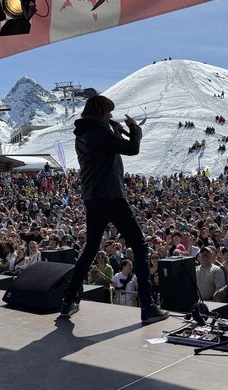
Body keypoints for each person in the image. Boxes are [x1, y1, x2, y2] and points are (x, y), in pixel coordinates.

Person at [60, 95, 169, 324]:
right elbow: (133, 148)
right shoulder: (99, 131)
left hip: (93, 198)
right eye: (109, 112)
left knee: (91, 248)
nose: (111, 115)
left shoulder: (84, 133)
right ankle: (148, 307)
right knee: (140, 245)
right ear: (101, 112)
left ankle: (68, 300)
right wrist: (134, 128)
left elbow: (107, 154)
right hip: (111, 196)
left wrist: (116, 134)